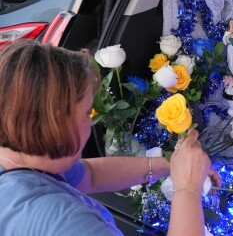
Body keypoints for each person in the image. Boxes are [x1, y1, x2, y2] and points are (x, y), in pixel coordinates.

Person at [0, 40, 221, 235]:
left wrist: (171, 165)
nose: (91, 121)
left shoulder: (20, 159)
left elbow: (90, 175)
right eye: (87, 112)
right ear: (58, 120)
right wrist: (188, 189)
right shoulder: (65, 222)